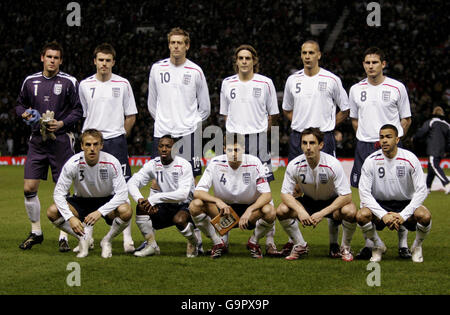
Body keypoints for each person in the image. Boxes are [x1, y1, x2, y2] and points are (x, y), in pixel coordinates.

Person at [281, 40, 350, 255]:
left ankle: (333, 243)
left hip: (324, 138)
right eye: (304, 53)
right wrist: (302, 129)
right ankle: (296, 241)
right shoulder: (293, 80)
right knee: (294, 188)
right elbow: (287, 110)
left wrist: (327, 128)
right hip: (298, 137)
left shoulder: (331, 79)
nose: (307, 56)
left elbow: (345, 109)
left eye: (311, 52)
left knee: (330, 189)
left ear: (319, 55)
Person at [16, 41, 83, 252]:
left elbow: (78, 111)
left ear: (61, 60)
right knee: (29, 188)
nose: (52, 60)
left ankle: (63, 235)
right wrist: (23, 113)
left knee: (62, 189)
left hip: (61, 141)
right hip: (37, 140)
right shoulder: (30, 81)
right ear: (42, 58)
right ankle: (36, 232)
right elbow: (19, 104)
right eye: (49, 56)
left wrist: (62, 123)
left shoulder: (70, 82)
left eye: (56, 57)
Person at [348, 47, 412, 259]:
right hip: (365, 146)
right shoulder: (356, 89)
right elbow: (355, 120)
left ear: (383, 64)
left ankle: (403, 244)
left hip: (392, 146)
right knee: (365, 195)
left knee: (399, 192)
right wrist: (366, 137)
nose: (370, 66)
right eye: (367, 63)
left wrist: (395, 139)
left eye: (375, 62)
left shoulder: (397, 87)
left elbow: (406, 118)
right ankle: (372, 243)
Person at [219, 44, 279, 256]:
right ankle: (223, 237)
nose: (244, 61)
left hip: (258, 139)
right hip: (235, 140)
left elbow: (272, 114)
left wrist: (261, 135)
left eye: (248, 58)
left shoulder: (265, 83)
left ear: (254, 60)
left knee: (265, 191)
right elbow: (225, 115)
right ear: (236, 61)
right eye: (240, 58)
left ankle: (269, 240)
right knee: (227, 188)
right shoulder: (227, 83)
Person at [78, 43, 137, 253]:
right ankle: (87, 238)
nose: (104, 64)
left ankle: (127, 239)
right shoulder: (84, 85)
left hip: (115, 142)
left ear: (113, 62)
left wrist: (120, 135)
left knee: (122, 187)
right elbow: (84, 114)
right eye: (100, 60)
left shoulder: (123, 84)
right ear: (94, 61)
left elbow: (131, 115)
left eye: (108, 60)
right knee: (88, 188)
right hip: (91, 142)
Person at [46, 129, 132, 258]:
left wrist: (100, 212)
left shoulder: (112, 162)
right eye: (88, 144)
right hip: (81, 201)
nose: (92, 148)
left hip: (106, 200)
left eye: (96, 144)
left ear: (101, 145)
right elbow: (58, 194)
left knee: (126, 210)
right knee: (52, 211)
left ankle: (107, 241)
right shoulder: (72, 164)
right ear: (81, 146)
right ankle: (83, 238)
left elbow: (122, 194)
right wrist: (71, 218)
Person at [189, 133, 276, 259]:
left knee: (270, 211)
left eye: (237, 150)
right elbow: (198, 192)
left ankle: (253, 241)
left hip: (249, 213)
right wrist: (217, 201)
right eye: (230, 150)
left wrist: (249, 210)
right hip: (224, 212)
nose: (233, 153)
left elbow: (267, 195)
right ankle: (218, 243)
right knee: (195, 205)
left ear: (244, 149)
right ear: (224, 149)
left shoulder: (254, 162)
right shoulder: (215, 162)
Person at [277, 128, 357, 261]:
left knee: (350, 210)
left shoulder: (333, 164)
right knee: (281, 210)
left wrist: (322, 213)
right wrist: (300, 211)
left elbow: (347, 196)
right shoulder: (294, 165)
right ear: (301, 145)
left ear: (320, 145)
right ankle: (300, 244)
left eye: (312, 143)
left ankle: (345, 247)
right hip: (308, 200)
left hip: (331, 201)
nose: (308, 147)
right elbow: (285, 194)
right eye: (304, 143)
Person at [356, 124, 431, 263]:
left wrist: (403, 215)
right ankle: (378, 245)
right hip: (380, 204)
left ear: (397, 140)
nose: (384, 140)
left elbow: (421, 190)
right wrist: (383, 215)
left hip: (405, 203)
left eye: (388, 137)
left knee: (425, 216)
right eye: (381, 137)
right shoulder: (371, 161)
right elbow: (364, 193)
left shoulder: (410, 158)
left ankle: (416, 246)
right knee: (361, 215)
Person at [147, 27, 210, 177]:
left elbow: (205, 107)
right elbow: (151, 104)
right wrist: (166, 121)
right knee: (158, 179)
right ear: (169, 45)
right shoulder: (157, 69)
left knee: (192, 180)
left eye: (180, 43)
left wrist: (190, 123)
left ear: (187, 46)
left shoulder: (196, 71)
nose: (176, 46)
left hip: (188, 133)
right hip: (162, 132)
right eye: (173, 42)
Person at [128, 135, 202, 258]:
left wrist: (153, 199)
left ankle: (194, 243)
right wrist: (140, 199)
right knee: (141, 207)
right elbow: (132, 182)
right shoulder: (153, 164)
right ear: (157, 148)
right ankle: (151, 246)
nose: (164, 149)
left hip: (185, 205)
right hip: (165, 206)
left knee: (179, 220)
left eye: (168, 146)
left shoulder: (184, 165)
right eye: (161, 146)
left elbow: (183, 194)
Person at [415, 106, 450, 194]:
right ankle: (427, 188)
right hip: (441, 150)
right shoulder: (447, 125)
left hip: (433, 148)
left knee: (434, 166)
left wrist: (414, 138)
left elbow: (422, 132)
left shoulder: (432, 122)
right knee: (431, 168)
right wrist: (446, 150)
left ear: (433, 113)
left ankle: (447, 183)